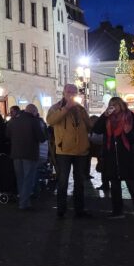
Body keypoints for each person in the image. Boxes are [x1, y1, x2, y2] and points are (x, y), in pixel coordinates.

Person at [92, 97, 134, 220]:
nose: (113, 108)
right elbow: (96, 130)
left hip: (126, 157)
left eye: (115, 105)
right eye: (111, 105)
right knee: (114, 186)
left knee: (132, 185)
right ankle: (117, 211)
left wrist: (128, 132)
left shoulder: (131, 118)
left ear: (121, 105)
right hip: (111, 157)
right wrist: (104, 116)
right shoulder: (107, 119)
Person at [46, 83, 93, 219]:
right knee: (63, 181)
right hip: (64, 151)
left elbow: (89, 125)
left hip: (80, 151)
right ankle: (61, 210)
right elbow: (50, 120)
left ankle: (79, 210)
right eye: (69, 92)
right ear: (64, 93)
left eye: (74, 92)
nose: (72, 94)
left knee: (80, 182)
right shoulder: (56, 107)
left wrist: (83, 115)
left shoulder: (80, 108)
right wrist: (66, 108)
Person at [6, 103, 45, 209]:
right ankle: (24, 202)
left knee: (20, 178)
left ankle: (23, 200)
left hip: (16, 153)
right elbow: (41, 138)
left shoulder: (13, 121)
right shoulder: (34, 121)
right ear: (33, 111)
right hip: (30, 153)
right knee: (29, 178)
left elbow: (7, 135)